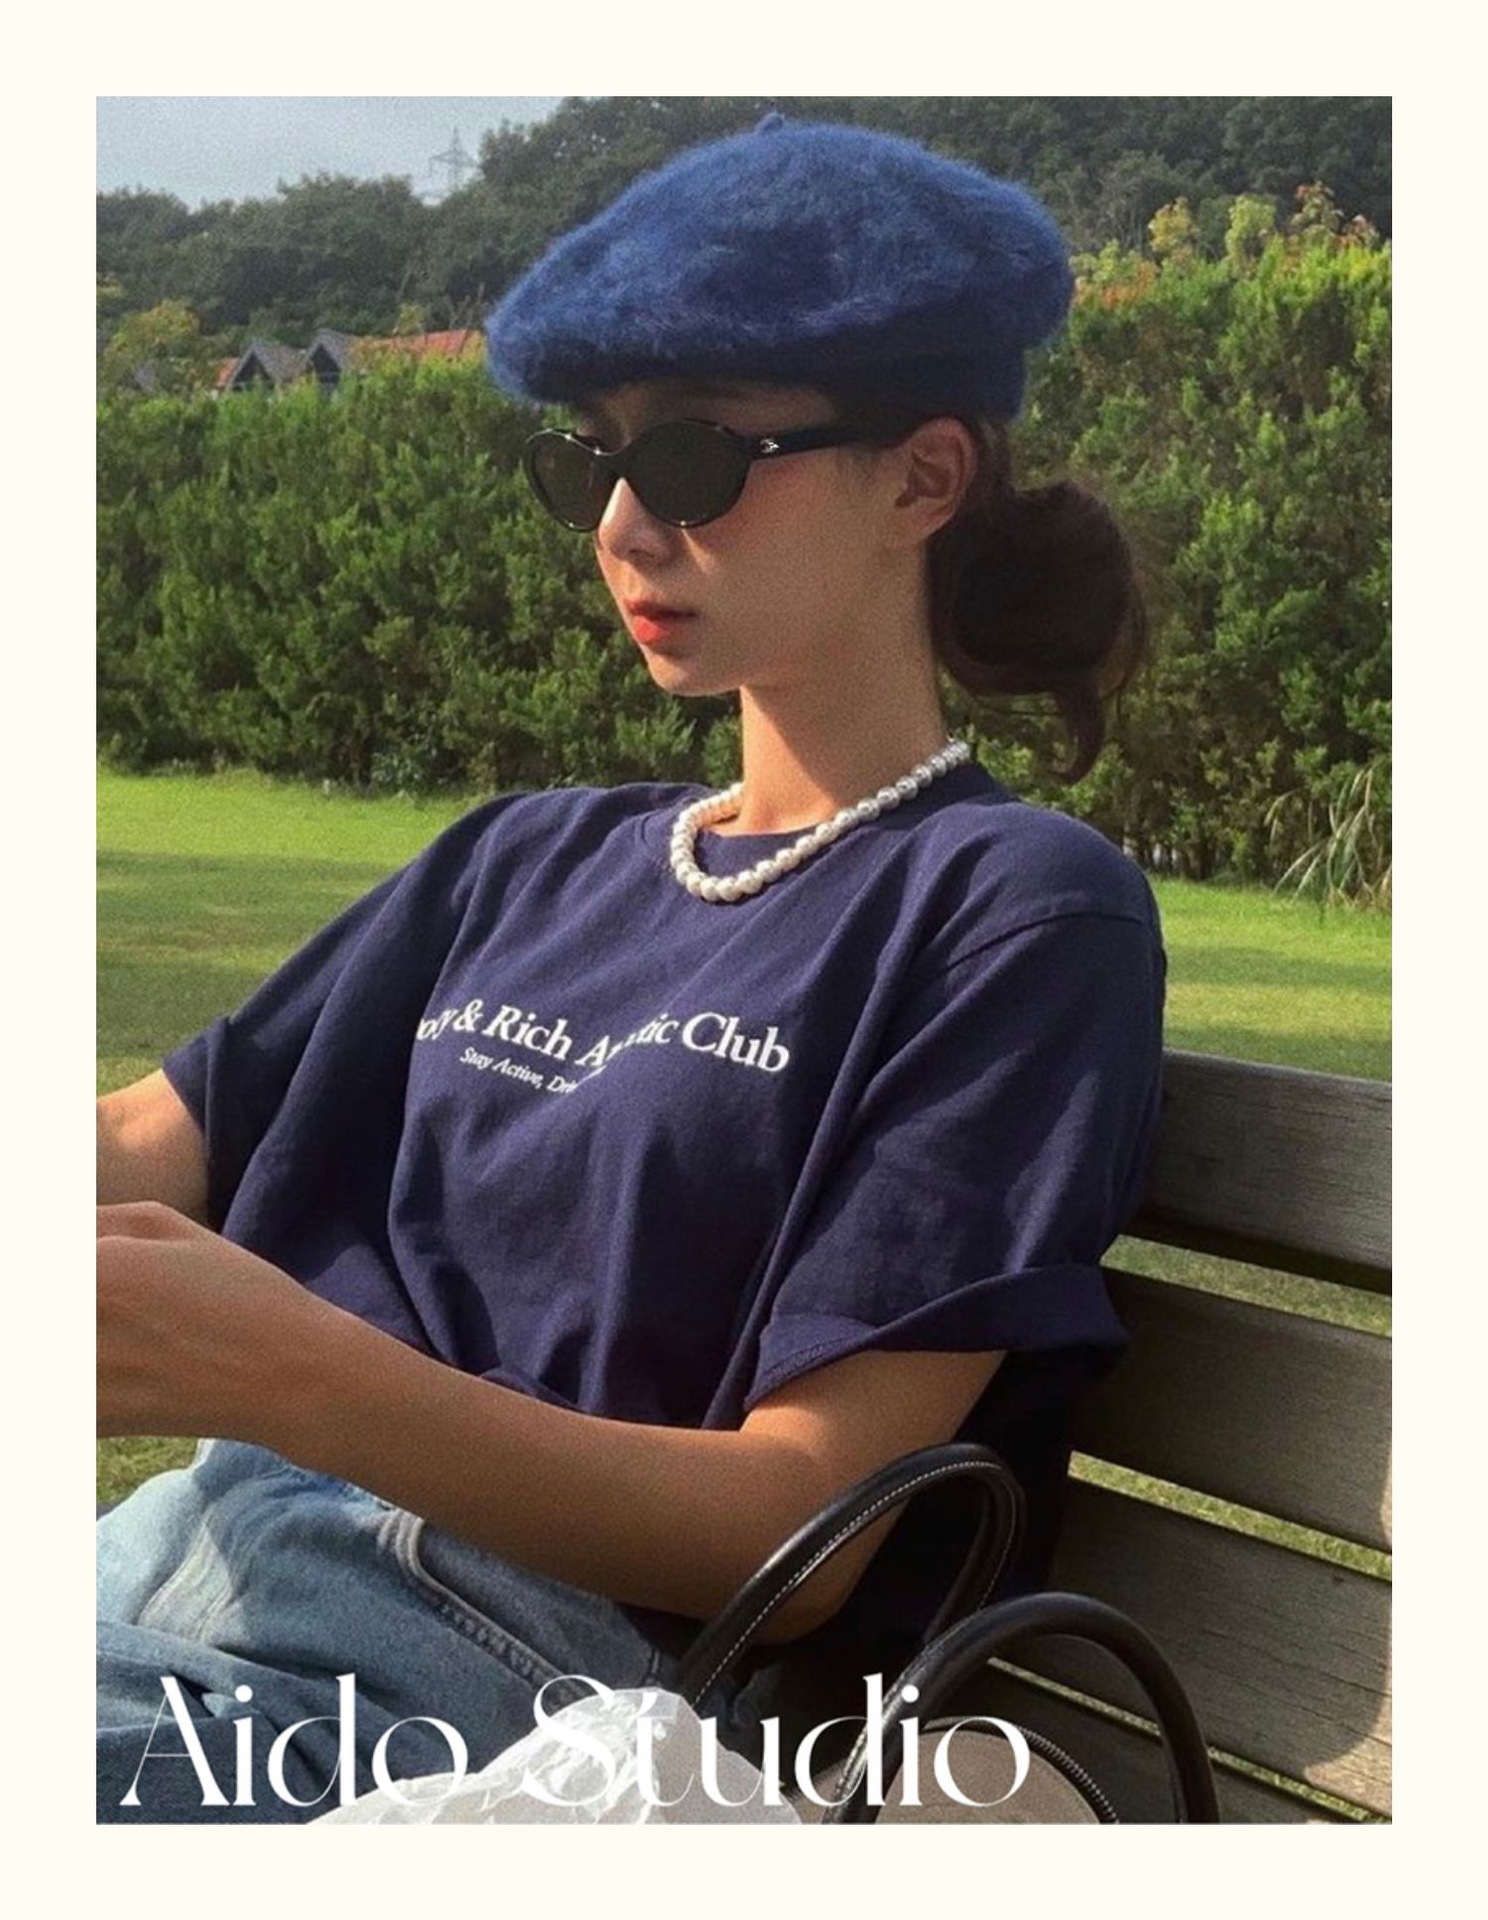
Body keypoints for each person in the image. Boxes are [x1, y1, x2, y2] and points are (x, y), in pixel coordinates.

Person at [96, 116, 1164, 1823]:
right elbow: (142, 1143)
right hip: (175, 1575)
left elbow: (803, 1533)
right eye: (589, 459)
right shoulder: (528, 857)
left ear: (924, 478)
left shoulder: (1014, 913)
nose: (620, 526)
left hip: (499, 1693)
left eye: (691, 460)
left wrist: (281, 1369)